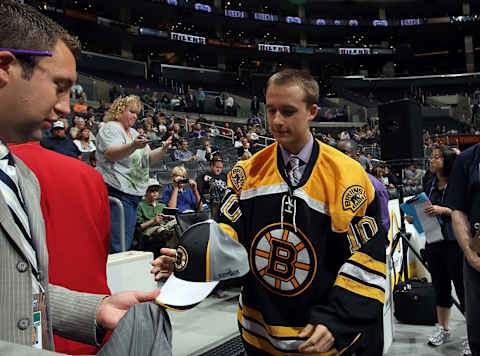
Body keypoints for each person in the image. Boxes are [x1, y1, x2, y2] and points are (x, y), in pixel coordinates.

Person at [153, 69, 386, 355]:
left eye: (288, 111)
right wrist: (193, 261)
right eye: (271, 110)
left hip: (321, 340)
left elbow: (367, 258)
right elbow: (229, 241)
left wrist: (337, 318)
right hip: (258, 334)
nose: (276, 121)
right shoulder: (245, 173)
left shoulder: (348, 178)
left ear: (312, 111)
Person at [0, 2, 171, 355]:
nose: (65, 106)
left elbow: (16, 289)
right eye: (59, 86)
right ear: (5, 68)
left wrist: (94, 310)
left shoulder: (22, 176)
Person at [405, 146, 470, 354]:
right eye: (431, 158)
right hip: (433, 241)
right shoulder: (429, 183)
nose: (431, 161)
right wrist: (414, 217)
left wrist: (445, 210)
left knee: (463, 289)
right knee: (440, 287)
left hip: (455, 243)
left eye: (436, 157)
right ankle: (443, 328)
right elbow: (426, 211)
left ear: (448, 161)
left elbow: (466, 211)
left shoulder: (460, 183)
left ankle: (472, 334)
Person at [96, 95, 172, 253]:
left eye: (137, 113)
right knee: (118, 243)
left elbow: (148, 160)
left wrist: (163, 149)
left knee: (127, 240)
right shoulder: (111, 128)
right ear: (120, 110)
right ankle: (114, 275)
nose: (135, 116)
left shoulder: (133, 132)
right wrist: (132, 146)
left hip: (133, 194)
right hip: (117, 192)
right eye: (132, 112)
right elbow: (111, 154)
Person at [446, 143, 480, 356]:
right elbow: (458, 211)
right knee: (477, 327)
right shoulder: (468, 159)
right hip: (477, 254)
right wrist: (471, 255)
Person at [336, 139, 390, 235]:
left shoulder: (374, 185)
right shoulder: (330, 182)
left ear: (357, 156)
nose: (339, 156)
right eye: (336, 153)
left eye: (344, 153)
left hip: (366, 245)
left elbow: (384, 222)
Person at [137, 178, 177, 255]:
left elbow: (167, 220)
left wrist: (170, 219)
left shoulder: (162, 206)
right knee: (163, 231)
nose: (155, 193)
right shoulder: (140, 206)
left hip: (164, 226)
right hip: (151, 230)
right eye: (152, 191)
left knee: (177, 223)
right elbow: (139, 227)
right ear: (146, 192)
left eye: (157, 191)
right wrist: (153, 221)